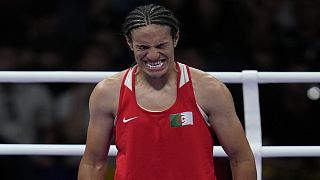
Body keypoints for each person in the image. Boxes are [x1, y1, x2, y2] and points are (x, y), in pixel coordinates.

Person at [78, 3, 256, 180]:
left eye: (161, 45)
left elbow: (241, 158)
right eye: (143, 47)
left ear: (175, 39)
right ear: (130, 43)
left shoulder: (209, 90)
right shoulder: (108, 93)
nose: (153, 55)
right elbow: (93, 163)